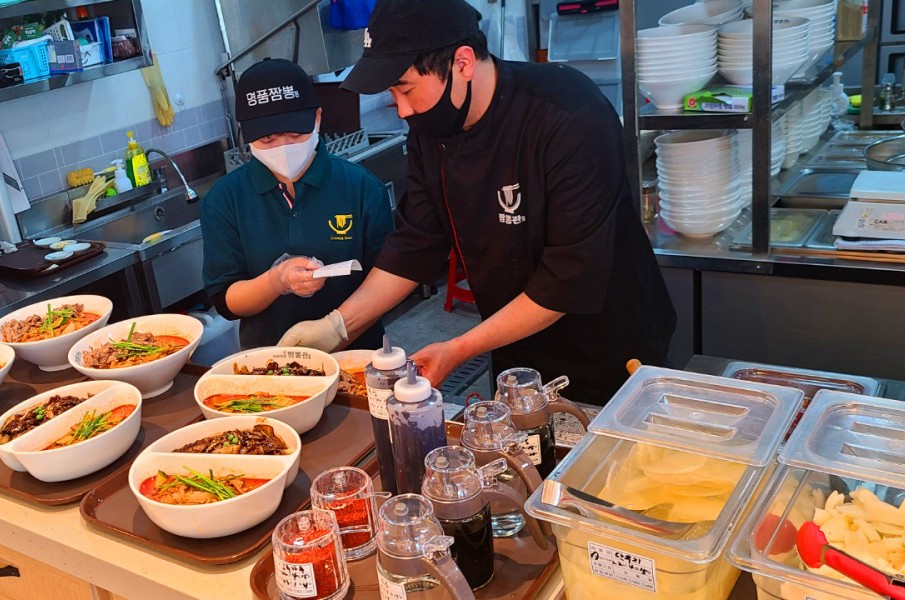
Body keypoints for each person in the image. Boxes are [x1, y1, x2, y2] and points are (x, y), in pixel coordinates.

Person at [278, 0, 676, 405]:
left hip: (609, 349)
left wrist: (458, 348)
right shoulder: (431, 128)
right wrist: (337, 326)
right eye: (393, 94)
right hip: (513, 343)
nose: (402, 110)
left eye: (406, 89)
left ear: (463, 63)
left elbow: (568, 277)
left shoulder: (569, 114)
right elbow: (415, 244)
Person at [200, 58, 395, 350]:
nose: (283, 147)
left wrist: (338, 329)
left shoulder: (361, 188)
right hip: (271, 360)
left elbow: (388, 280)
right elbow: (226, 301)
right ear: (246, 133)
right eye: (268, 139)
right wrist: (276, 281)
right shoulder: (225, 199)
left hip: (357, 353)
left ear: (317, 118)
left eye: (295, 134)